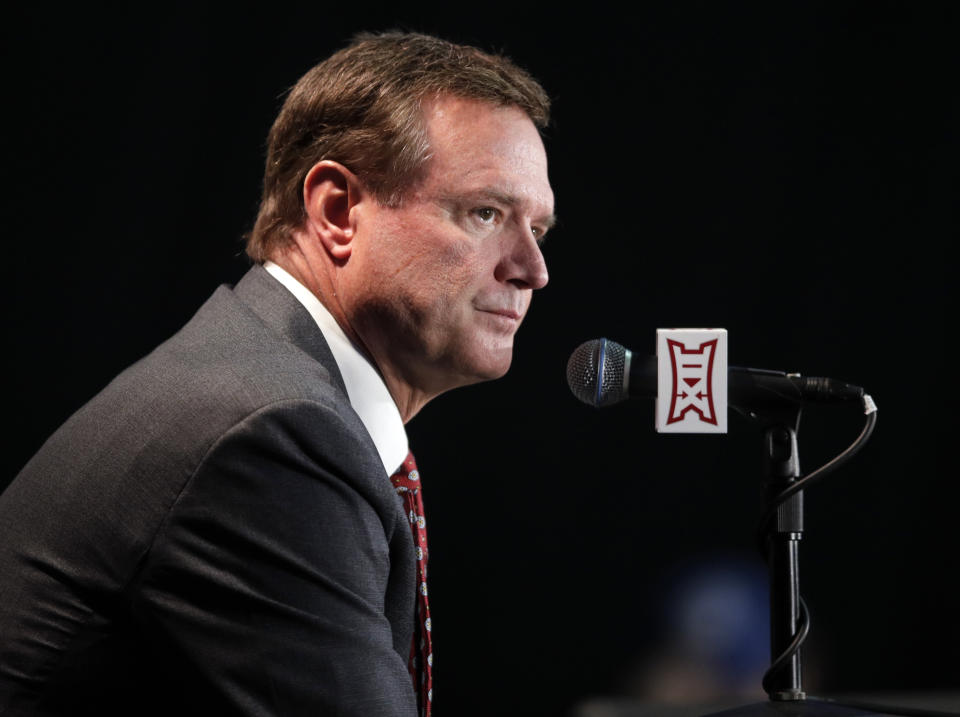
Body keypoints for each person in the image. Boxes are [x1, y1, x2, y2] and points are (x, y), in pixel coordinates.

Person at [0, 32, 554, 716]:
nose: (533, 269)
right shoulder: (271, 435)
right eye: (486, 213)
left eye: (541, 230)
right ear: (337, 211)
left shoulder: (263, 382)